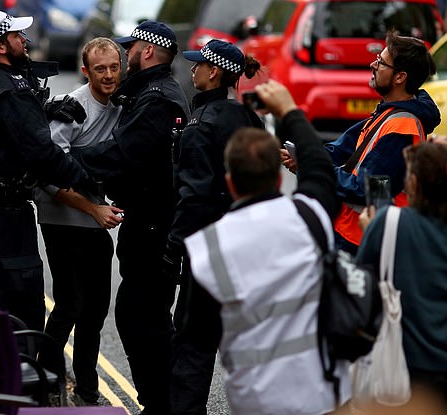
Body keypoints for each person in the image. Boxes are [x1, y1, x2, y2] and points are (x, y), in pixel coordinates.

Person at [185, 79, 349, 414]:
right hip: (326, 393)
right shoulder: (310, 217)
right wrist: (288, 110)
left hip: (259, 400)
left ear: (230, 182)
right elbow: (319, 168)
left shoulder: (207, 248)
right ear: (278, 178)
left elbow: (194, 346)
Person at [71, 20, 190, 415]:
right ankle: (163, 401)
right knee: (142, 315)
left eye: (131, 47)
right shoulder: (149, 91)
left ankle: (162, 404)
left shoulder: (158, 99)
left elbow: (123, 153)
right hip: (149, 222)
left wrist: (65, 161)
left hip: (156, 226)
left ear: (149, 51)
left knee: (143, 317)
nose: (125, 55)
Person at [0, 10, 91, 331]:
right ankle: (15, 379)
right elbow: (42, 154)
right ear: (0, 46)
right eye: (16, 36)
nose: (24, 41)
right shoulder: (12, 90)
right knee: (20, 317)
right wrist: (85, 178)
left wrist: (42, 108)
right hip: (3, 222)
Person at [163, 39, 264, 415]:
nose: (192, 71)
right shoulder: (249, 118)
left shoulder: (200, 126)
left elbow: (195, 196)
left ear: (214, 72)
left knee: (194, 340)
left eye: (199, 65)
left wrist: (173, 247)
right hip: (250, 247)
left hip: (210, 249)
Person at [283, 31, 440, 254]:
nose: (372, 65)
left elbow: (366, 189)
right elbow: (340, 149)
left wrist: (311, 167)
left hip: (364, 240)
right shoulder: (390, 113)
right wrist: (306, 158)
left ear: (400, 77)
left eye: (381, 62)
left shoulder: (401, 125)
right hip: (351, 232)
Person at [33, 37, 124, 406]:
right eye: (99, 69)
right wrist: (94, 209)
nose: (108, 76)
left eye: (114, 68)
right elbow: (50, 179)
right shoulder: (71, 108)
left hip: (94, 218)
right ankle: (49, 382)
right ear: (85, 70)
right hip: (62, 217)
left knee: (96, 310)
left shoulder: (122, 106)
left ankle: (86, 388)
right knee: (70, 303)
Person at [356, 142, 447, 409]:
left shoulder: (389, 223)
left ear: (415, 184)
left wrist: (370, 232)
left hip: (402, 367)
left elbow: (362, 285)